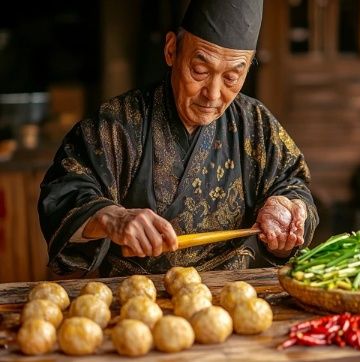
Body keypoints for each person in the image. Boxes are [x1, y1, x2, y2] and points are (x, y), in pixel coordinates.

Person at [38, 0, 319, 277]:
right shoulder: (118, 124)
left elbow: (294, 185)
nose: (212, 93)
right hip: (136, 302)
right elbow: (64, 192)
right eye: (199, 71)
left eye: (232, 77)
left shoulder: (255, 125)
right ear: (172, 50)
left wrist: (288, 212)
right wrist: (111, 217)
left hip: (229, 300)